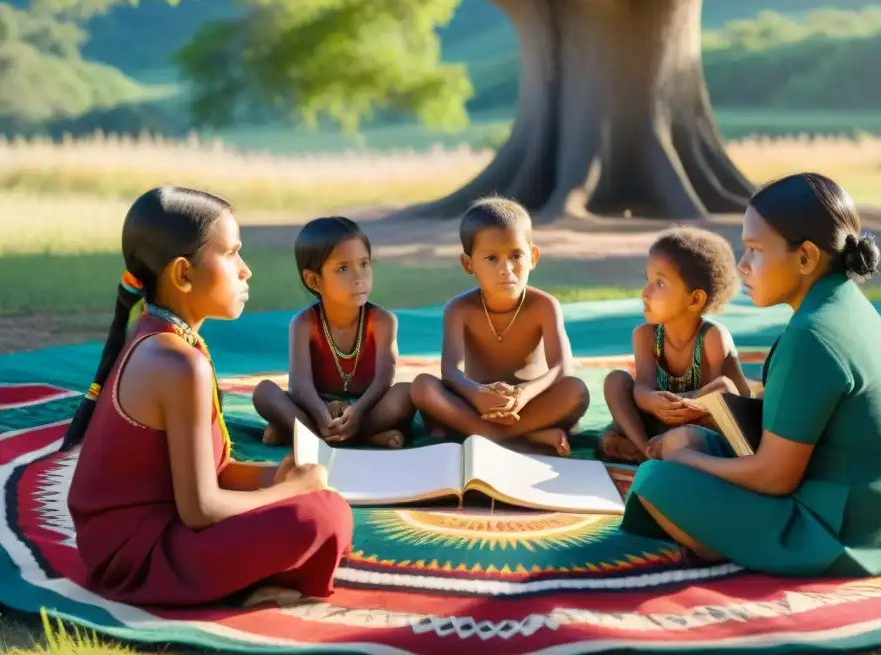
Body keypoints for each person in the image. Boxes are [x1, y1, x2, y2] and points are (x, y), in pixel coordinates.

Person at [621, 173, 881, 578]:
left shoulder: (814, 335)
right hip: (880, 518)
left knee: (656, 479)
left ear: (805, 257)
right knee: (683, 439)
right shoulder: (844, 306)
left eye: (754, 250)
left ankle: (722, 545)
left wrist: (690, 461)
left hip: (842, 535)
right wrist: (691, 449)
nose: (743, 266)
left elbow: (774, 477)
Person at [62, 187, 352, 606]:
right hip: (138, 559)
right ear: (183, 274)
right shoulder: (177, 362)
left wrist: (278, 478)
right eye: (232, 253)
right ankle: (241, 584)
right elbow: (200, 507)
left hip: (152, 530)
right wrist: (291, 492)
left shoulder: (167, 337)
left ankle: (254, 575)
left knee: (325, 504)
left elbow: (213, 471)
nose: (246, 269)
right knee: (320, 517)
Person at [409, 196, 589, 456]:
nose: (506, 269)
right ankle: (523, 437)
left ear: (533, 257)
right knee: (422, 386)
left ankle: (490, 435)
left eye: (516, 255)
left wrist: (524, 394)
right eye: (491, 258)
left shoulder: (544, 306)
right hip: (476, 404)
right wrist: (477, 395)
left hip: (530, 404)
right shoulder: (459, 309)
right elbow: (450, 371)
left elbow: (562, 367)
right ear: (468, 264)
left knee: (576, 391)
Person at [253, 217, 414, 449]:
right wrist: (321, 414)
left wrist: (357, 412)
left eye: (365, 264)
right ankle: (360, 436)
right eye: (343, 268)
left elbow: (383, 381)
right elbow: (300, 386)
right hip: (317, 406)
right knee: (264, 392)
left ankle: (303, 434)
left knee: (406, 393)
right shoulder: (304, 324)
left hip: (367, 407)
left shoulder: (383, 321)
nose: (359, 277)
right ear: (314, 280)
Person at [600, 227, 750, 464]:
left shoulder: (712, 337)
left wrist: (683, 404)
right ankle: (645, 449)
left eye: (659, 284)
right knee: (615, 381)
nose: (645, 293)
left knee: (723, 388)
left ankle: (664, 445)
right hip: (661, 419)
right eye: (647, 280)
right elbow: (642, 387)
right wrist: (652, 401)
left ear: (694, 299)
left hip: (701, 418)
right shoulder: (645, 336)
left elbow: (718, 399)